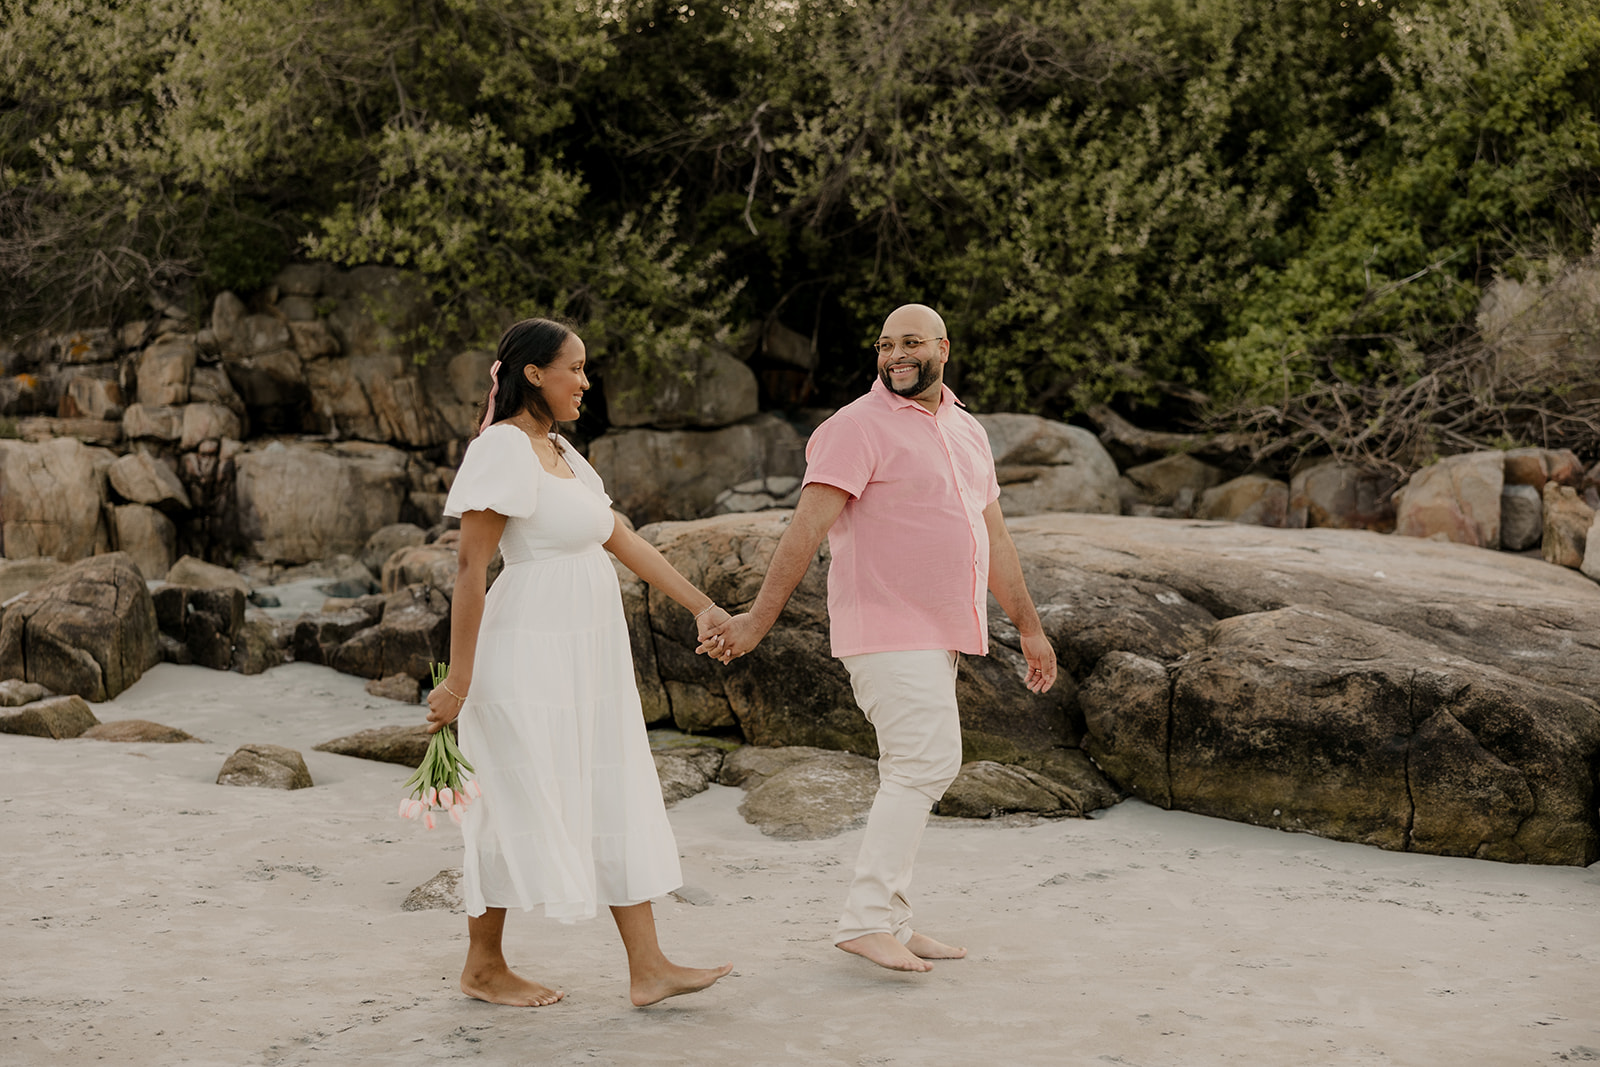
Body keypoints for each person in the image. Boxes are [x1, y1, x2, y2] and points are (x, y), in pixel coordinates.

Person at [702, 303, 1058, 973]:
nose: (897, 353)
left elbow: (996, 537)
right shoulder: (853, 428)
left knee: (915, 764)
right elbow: (804, 530)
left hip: (943, 631)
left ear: (943, 349)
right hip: (885, 625)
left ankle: (890, 917)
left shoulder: (967, 429)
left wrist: (1030, 627)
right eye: (887, 344)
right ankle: (866, 918)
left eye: (912, 342)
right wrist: (755, 620)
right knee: (926, 762)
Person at [425, 317, 734, 1007]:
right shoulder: (503, 448)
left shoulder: (561, 450)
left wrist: (701, 604)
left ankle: (648, 967)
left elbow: (619, 537)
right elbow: (472, 566)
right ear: (534, 373)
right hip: (526, 654)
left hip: (589, 657)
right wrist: (460, 680)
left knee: (612, 786)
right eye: (576, 368)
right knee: (514, 796)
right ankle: (483, 965)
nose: (586, 382)